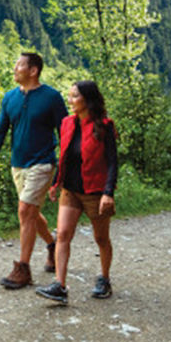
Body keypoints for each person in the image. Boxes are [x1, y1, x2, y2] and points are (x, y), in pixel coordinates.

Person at [0, 52, 68, 289]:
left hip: (42, 162)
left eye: (19, 65)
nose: (14, 69)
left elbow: (66, 133)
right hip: (17, 165)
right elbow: (0, 130)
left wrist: (64, 167)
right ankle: (52, 245)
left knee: (25, 210)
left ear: (33, 70)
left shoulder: (51, 97)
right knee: (30, 212)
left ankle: (23, 269)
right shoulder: (10, 98)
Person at [35, 80, 118, 305]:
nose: (70, 100)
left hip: (95, 191)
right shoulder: (66, 123)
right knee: (62, 234)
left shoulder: (104, 125)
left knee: (101, 238)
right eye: (69, 96)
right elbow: (65, 156)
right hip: (70, 189)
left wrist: (108, 193)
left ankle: (105, 278)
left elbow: (112, 162)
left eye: (74, 96)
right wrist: (56, 183)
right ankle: (60, 286)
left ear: (87, 99)